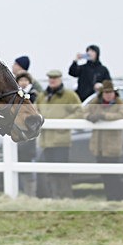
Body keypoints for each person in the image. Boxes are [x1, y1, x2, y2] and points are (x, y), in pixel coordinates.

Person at [35, 70, 82, 199]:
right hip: (45, 139)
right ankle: (55, 197)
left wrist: (64, 123)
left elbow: (79, 111)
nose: (52, 80)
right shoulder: (42, 96)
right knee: (50, 171)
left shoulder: (69, 96)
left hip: (61, 139)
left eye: (55, 78)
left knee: (62, 171)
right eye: (50, 78)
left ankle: (66, 197)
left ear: (60, 79)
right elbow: (35, 110)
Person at [84, 80, 123, 201]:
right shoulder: (95, 103)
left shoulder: (119, 104)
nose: (108, 95)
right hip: (98, 146)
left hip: (112, 146)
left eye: (110, 92)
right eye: (106, 93)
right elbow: (84, 112)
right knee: (104, 175)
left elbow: (122, 116)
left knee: (114, 175)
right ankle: (110, 197)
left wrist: (104, 116)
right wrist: (89, 117)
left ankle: (118, 198)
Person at [16, 72, 39, 196]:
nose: (23, 83)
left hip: (29, 135)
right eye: (21, 80)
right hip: (18, 134)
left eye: (25, 80)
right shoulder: (14, 96)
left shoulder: (34, 95)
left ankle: (31, 193)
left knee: (29, 164)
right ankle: (20, 192)